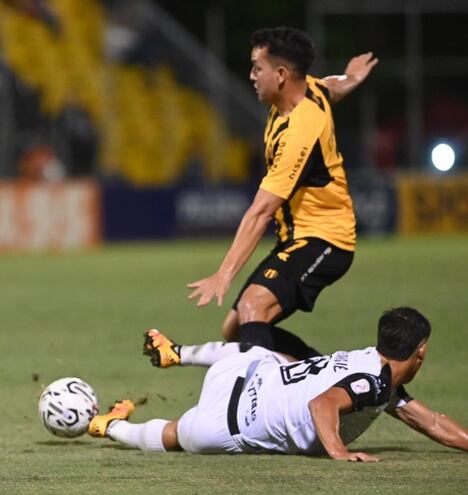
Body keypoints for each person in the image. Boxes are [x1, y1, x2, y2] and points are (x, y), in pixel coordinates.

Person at [185, 27, 379, 358]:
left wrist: (225, 273)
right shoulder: (307, 91)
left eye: (256, 68)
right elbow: (331, 87)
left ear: (280, 75)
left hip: (326, 239)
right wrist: (351, 77)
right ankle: (323, 378)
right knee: (234, 330)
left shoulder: (299, 132)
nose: (251, 76)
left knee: (253, 307)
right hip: (297, 237)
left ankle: (264, 401)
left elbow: (261, 211)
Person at [88, 307, 468, 461]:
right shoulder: (374, 384)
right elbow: (323, 404)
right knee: (173, 435)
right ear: (419, 353)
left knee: (261, 353)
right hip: (221, 431)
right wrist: (339, 452)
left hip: (243, 377)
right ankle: (111, 427)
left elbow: (430, 421)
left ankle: (180, 353)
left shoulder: (367, 362)